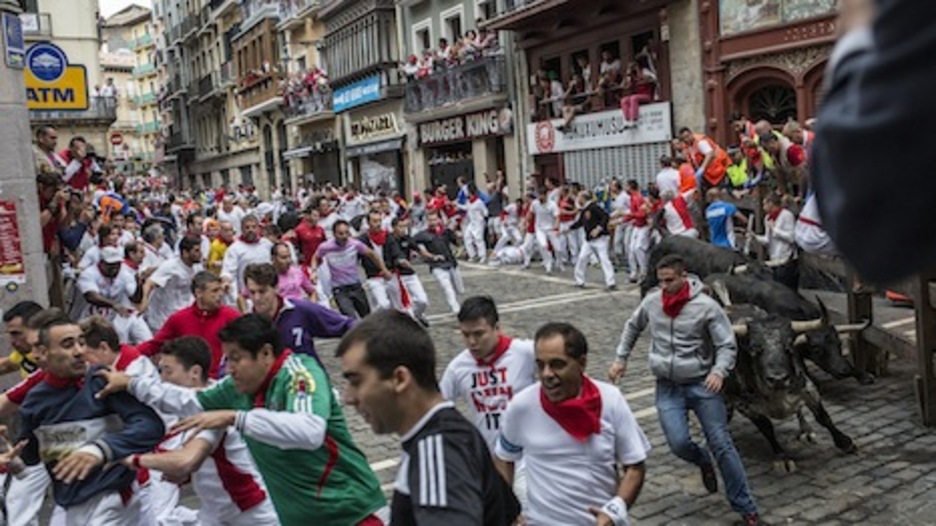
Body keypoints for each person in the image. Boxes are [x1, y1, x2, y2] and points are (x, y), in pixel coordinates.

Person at [96, 314, 387, 526]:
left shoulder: (298, 373)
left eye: (236, 358)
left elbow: (309, 430)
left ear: (265, 354)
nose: (229, 368)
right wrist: (132, 384)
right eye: (226, 360)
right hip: (298, 517)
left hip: (350, 513)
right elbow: (189, 400)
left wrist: (236, 418)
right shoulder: (236, 388)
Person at [610, 255, 766, 525]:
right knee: (679, 443)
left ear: (684, 277)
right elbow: (633, 326)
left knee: (722, 444)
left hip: (701, 384)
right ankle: (702, 460)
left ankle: (747, 510)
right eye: (660, 281)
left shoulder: (706, 307)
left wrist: (719, 371)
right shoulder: (652, 301)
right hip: (667, 386)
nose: (664, 286)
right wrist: (620, 358)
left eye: (669, 281)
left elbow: (727, 344)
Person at [336, 310, 521, 525]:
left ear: (400, 379)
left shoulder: (437, 449)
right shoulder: (453, 435)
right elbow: (510, 513)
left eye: (356, 381)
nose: (348, 397)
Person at [495, 322, 650, 525]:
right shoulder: (521, 406)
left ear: (582, 363)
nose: (547, 374)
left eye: (557, 364)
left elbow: (635, 466)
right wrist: (507, 511)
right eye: (540, 365)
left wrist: (614, 511)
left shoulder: (611, 401)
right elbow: (504, 458)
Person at [18, 311, 165, 524]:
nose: (79, 352)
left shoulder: (102, 380)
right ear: (42, 352)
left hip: (115, 496)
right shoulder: (35, 401)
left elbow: (150, 426)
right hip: (70, 502)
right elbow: (29, 459)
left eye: (81, 343)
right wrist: (12, 460)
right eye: (68, 345)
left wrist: (100, 450)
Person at [121, 337, 280, 526]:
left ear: (195, 372)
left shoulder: (211, 412)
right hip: (215, 512)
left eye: (168, 371)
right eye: (160, 370)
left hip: (250, 514)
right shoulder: (202, 400)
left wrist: (131, 460)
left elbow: (186, 460)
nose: (162, 379)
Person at [244, 263, 353, 366]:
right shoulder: (247, 324)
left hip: (309, 380)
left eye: (262, 292)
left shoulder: (300, 310)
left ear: (276, 288)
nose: (257, 298)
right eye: (252, 292)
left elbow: (346, 325)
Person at [137, 271, 240, 378]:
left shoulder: (231, 316)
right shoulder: (179, 318)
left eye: (220, 290)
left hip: (218, 381)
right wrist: (127, 355)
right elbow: (154, 345)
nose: (220, 295)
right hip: (186, 383)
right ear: (199, 293)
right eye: (214, 291)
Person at [312, 219, 391, 319]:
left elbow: (372, 254)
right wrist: (314, 271)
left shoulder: (354, 244)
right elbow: (315, 257)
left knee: (366, 317)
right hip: (339, 289)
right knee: (350, 318)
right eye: (341, 234)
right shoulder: (326, 247)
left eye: (346, 233)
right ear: (334, 234)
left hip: (355, 286)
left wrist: (383, 269)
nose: (344, 236)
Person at [77, 246, 152, 345]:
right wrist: (114, 304)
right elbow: (91, 296)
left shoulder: (124, 274)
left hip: (119, 315)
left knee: (146, 340)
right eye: (111, 265)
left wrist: (139, 284)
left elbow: (135, 299)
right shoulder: (89, 274)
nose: (115, 268)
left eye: (117, 264)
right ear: (102, 263)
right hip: (93, 317)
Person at [140, 236, 204, 331]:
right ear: (185, 253)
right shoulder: (170, 266)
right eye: (196, 251)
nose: (200, 254)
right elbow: (149, 283)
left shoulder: (197, 267)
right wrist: (143, 302)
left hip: (183, 314)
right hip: (162, 318)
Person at [413, 210, 464, 314]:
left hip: (451, 263)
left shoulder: (446, 232)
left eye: (435, 219)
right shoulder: (423, 234)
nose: (433, 222)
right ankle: (456, 310)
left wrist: (458, 236)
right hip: (437, 266)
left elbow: (457, 243)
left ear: (439, 220)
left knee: (459, 289)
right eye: (430, 220)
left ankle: (460, 307)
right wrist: (428, 255)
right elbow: (412, 243)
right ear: (427, 221)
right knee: (447, 288)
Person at [384, 217, 430, 327]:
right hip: (396, 276)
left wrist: (433, 257)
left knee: (422, 301)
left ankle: (417, 315)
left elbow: (419, 250)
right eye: (400, 226)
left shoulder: (407, 238)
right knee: (404, 306)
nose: (403, 229)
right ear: (394, 227)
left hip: (410, 273)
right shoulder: (388, 240)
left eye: (404, 226)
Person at [221, 215, 274, 311]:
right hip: (248, 297)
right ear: (241, 229)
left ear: (258, 228)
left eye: (254, 227)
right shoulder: (234, 249)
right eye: (247, 227)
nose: (251, 230)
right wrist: (226, 281)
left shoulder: (267, 244)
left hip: (268, 293)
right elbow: (228, 272)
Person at [571, 191, 617, 290]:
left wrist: (599, 228)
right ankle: (579, 280)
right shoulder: (584, 210)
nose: (578, 199)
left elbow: (605, 216)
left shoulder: (594, 207)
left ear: (583, 198)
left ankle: (611, 282)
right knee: (582, 258)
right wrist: (569, 228)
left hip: (600, 239)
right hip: (589, 240)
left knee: (604, 259)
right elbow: (580, 222)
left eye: (579, 197)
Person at [750, 194, 798, 289]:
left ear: (771, 204)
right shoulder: (768, 218)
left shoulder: (786, 215)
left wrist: (775, 230)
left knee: (788, 288)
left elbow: (792, 238)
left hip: (786, 258)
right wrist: (755, 237)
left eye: (764, 204)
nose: (763, 207)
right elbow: (768, 240)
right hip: (774, 259)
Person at [0, 301, 44, 379]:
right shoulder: (24, 354)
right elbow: (5, 366)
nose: (12, 341)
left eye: (16, 334)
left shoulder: (56, 359)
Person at [526, 190, 562, 273]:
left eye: (542, 195)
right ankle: (548, 265)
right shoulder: (535, 203)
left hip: (551, 228)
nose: (540, 198)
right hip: (539, 229)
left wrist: (556, 228)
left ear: (546, 195)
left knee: (558, 248)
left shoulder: (552, 204)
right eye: (539, 195)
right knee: (543, 245)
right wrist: (525, 222)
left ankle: (559, 263)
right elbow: (530, 213)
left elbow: (557, 217)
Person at [457, 183, 490, 264]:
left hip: (479, 223)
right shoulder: (468, 202)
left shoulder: (479, 202)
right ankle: (473, 255)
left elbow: (486, 211)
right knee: (467, 237)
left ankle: (483, 256)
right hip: (472, 223)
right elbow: (466, 208)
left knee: (478, 239)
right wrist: (457, 205)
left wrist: (482, 216)